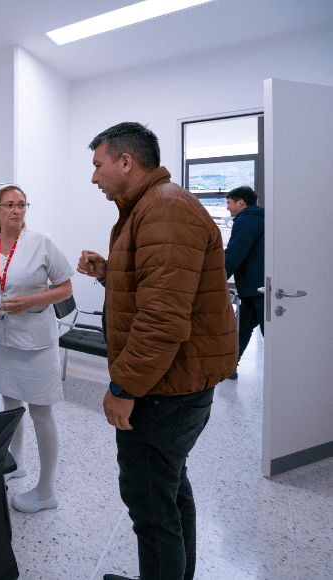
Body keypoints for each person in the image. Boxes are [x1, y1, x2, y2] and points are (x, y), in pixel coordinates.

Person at [77, 122, 237, 580]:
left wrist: (122, 386)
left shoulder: (164, 209)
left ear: (125, 162)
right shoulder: (151, 207)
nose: (94, 178)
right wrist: (108, 271)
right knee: (168, 491)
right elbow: (156, 289)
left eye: (97, 165)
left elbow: (163, 321)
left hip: (164, 390)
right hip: (174, 382)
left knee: (151, 509)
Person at [0, 183, 73, 513]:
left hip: (35, 342)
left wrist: (33, 299)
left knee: (41, 412)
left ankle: (46, 491)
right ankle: (17, 463)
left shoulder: (41, 243)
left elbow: (65, 287)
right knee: (11, 406)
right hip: (0, 340)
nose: (17, 210)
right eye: (9, 205)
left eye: (22, 204)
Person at [224, 185, 265, 379]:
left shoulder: (247, 219)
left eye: (229, 203)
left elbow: (235, 253)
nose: (228, 208)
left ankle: (281, 374)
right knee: (242, 328)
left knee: (249, 329)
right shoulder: (262, 217)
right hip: (257, 286)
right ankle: (230, 367)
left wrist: (218, 277)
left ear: (241, 202)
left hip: (255, 288)